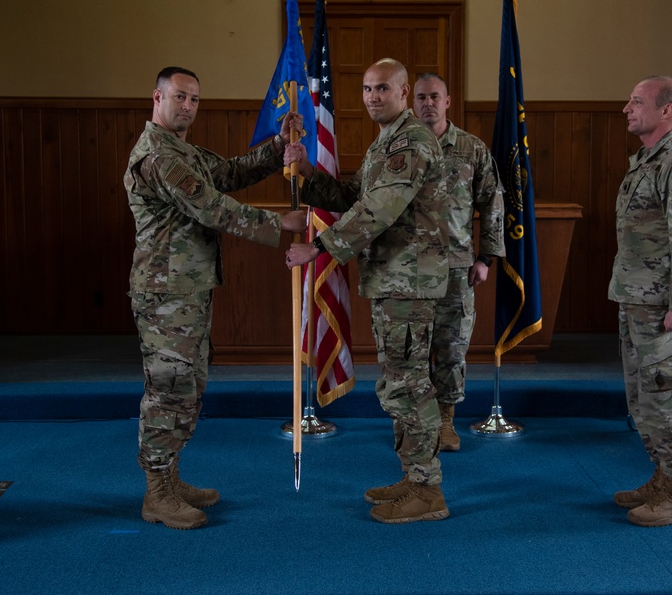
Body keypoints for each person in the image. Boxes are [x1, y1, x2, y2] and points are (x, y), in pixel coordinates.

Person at [124, 66, 305, 530]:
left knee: (187, 387)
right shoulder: (159, 156)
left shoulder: (180, 150)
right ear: (157, 96)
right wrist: (276, 224)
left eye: (194, 100)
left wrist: (275, 149)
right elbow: (208, 204)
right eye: (179, 97)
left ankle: (170, 476)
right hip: (166, 293)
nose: (187, 106)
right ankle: (157, 492)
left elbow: (226, 173)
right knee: (168, 390)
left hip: (186, 289)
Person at [284, 58, 450, 524]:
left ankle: (427, 490)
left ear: (403, 94)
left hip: (410, 282)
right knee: (398, 382)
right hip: (393, 279)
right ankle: (412, 476)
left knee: (410, 385)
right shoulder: (386, 142)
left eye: (383, 89)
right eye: (367, 89)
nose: (373, 97)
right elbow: (356, 196)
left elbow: (379, 209)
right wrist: (309, 176)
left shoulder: (412, 141)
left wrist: (318, 247)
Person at [608, 75, 672, 527]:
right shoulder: (647, 159)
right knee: (644, 398)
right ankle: (662, 477)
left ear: (666, 110)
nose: (627, 108)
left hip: (663, 305)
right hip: (638, 298)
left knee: (668, 396)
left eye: (637, 101)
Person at [412, 73, 505, 451]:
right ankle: (418, 426)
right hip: (409, 269)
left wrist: (486, 258)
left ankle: (446, 422)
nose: (428, 104)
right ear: (411, 102)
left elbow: (492, 204)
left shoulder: (471, 149)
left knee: (451, 349)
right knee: (412, 351)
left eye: (435, 96)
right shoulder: (399, 147)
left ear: (448, 101)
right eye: (420, 97)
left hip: (456, 267)